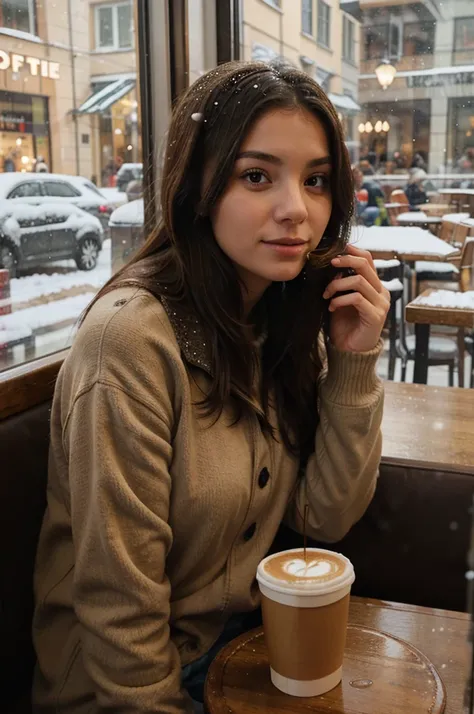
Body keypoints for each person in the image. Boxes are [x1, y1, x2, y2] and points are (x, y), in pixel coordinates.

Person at [33, 60, 389, 714]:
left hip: (239, 648)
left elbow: (324, 517)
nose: (295, 210)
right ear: (197, 186)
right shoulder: (131, 342)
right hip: (130, 687)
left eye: (316, 181)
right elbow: (119, 614)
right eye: (257, 176)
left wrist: (354, 362)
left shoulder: (276, 319)